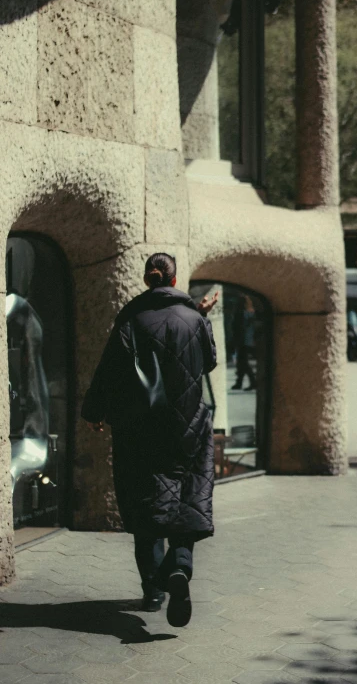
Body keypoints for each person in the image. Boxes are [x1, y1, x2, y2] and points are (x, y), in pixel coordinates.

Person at [81, 253, 218, 626]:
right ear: (174, 281)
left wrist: (93, 411)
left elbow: (109, 370)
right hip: (189, 428)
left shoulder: (131, 318)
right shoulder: (194, 318)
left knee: (147, 507)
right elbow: (208, 363)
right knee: (186, 501)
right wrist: (200, 317)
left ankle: (154, 591)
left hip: (141, 430)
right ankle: (180, 568)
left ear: (147, 280)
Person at [231, 294, 257, 391]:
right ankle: (239, 382)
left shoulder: (240, 313)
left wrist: (234, 341)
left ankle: (252, 382)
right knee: (242, 362)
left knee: (243, 363)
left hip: (242, 340)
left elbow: (237, 328)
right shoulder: (251, 312)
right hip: (248, 340)